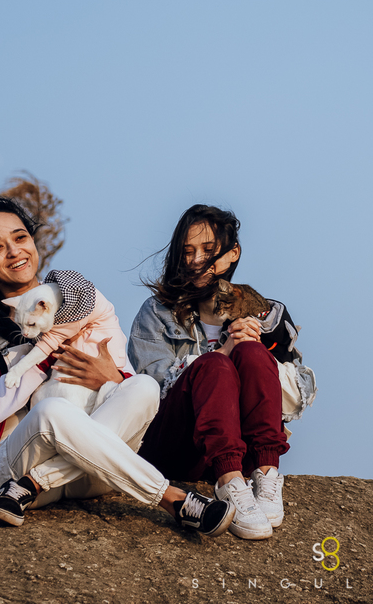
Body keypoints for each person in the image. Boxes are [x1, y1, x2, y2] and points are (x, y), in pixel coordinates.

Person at [0, 196, 234, 535]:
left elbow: (130, 392)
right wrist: (47, 351)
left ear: (33, 242)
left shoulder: (77, 298)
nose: (14, 251)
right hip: (13, 467)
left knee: (145, 387)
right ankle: (172, 498)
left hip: (88, 470)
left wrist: (113, 377)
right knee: (53, 411)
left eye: (20, 238)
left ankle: (36, 483)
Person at [128, 205, 317, 540]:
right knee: (215, 364)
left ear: (233, 254)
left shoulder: (265, 312)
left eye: (209, 251)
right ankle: (230, 485)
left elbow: (298, 396)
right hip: (175, 445)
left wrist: (258, 349)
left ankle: (266, 474)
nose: (197, 260)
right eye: (187, 252)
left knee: (252, 352)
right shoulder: (157, 312)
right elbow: (149, 386)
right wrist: (223, 351)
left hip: (243, 444)